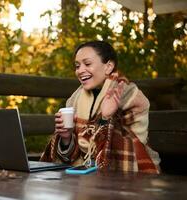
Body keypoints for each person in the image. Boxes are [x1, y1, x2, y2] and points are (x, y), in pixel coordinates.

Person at [40, 40, 160, 174]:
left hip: (125, 174)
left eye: (87, 64)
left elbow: (134, 147)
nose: (80, 71)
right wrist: (66, 138)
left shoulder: (129, 96)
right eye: (77, 66)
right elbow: (71, 156)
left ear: (108, 67)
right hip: (82, 173)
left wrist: (106, 118)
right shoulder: (75, 99)